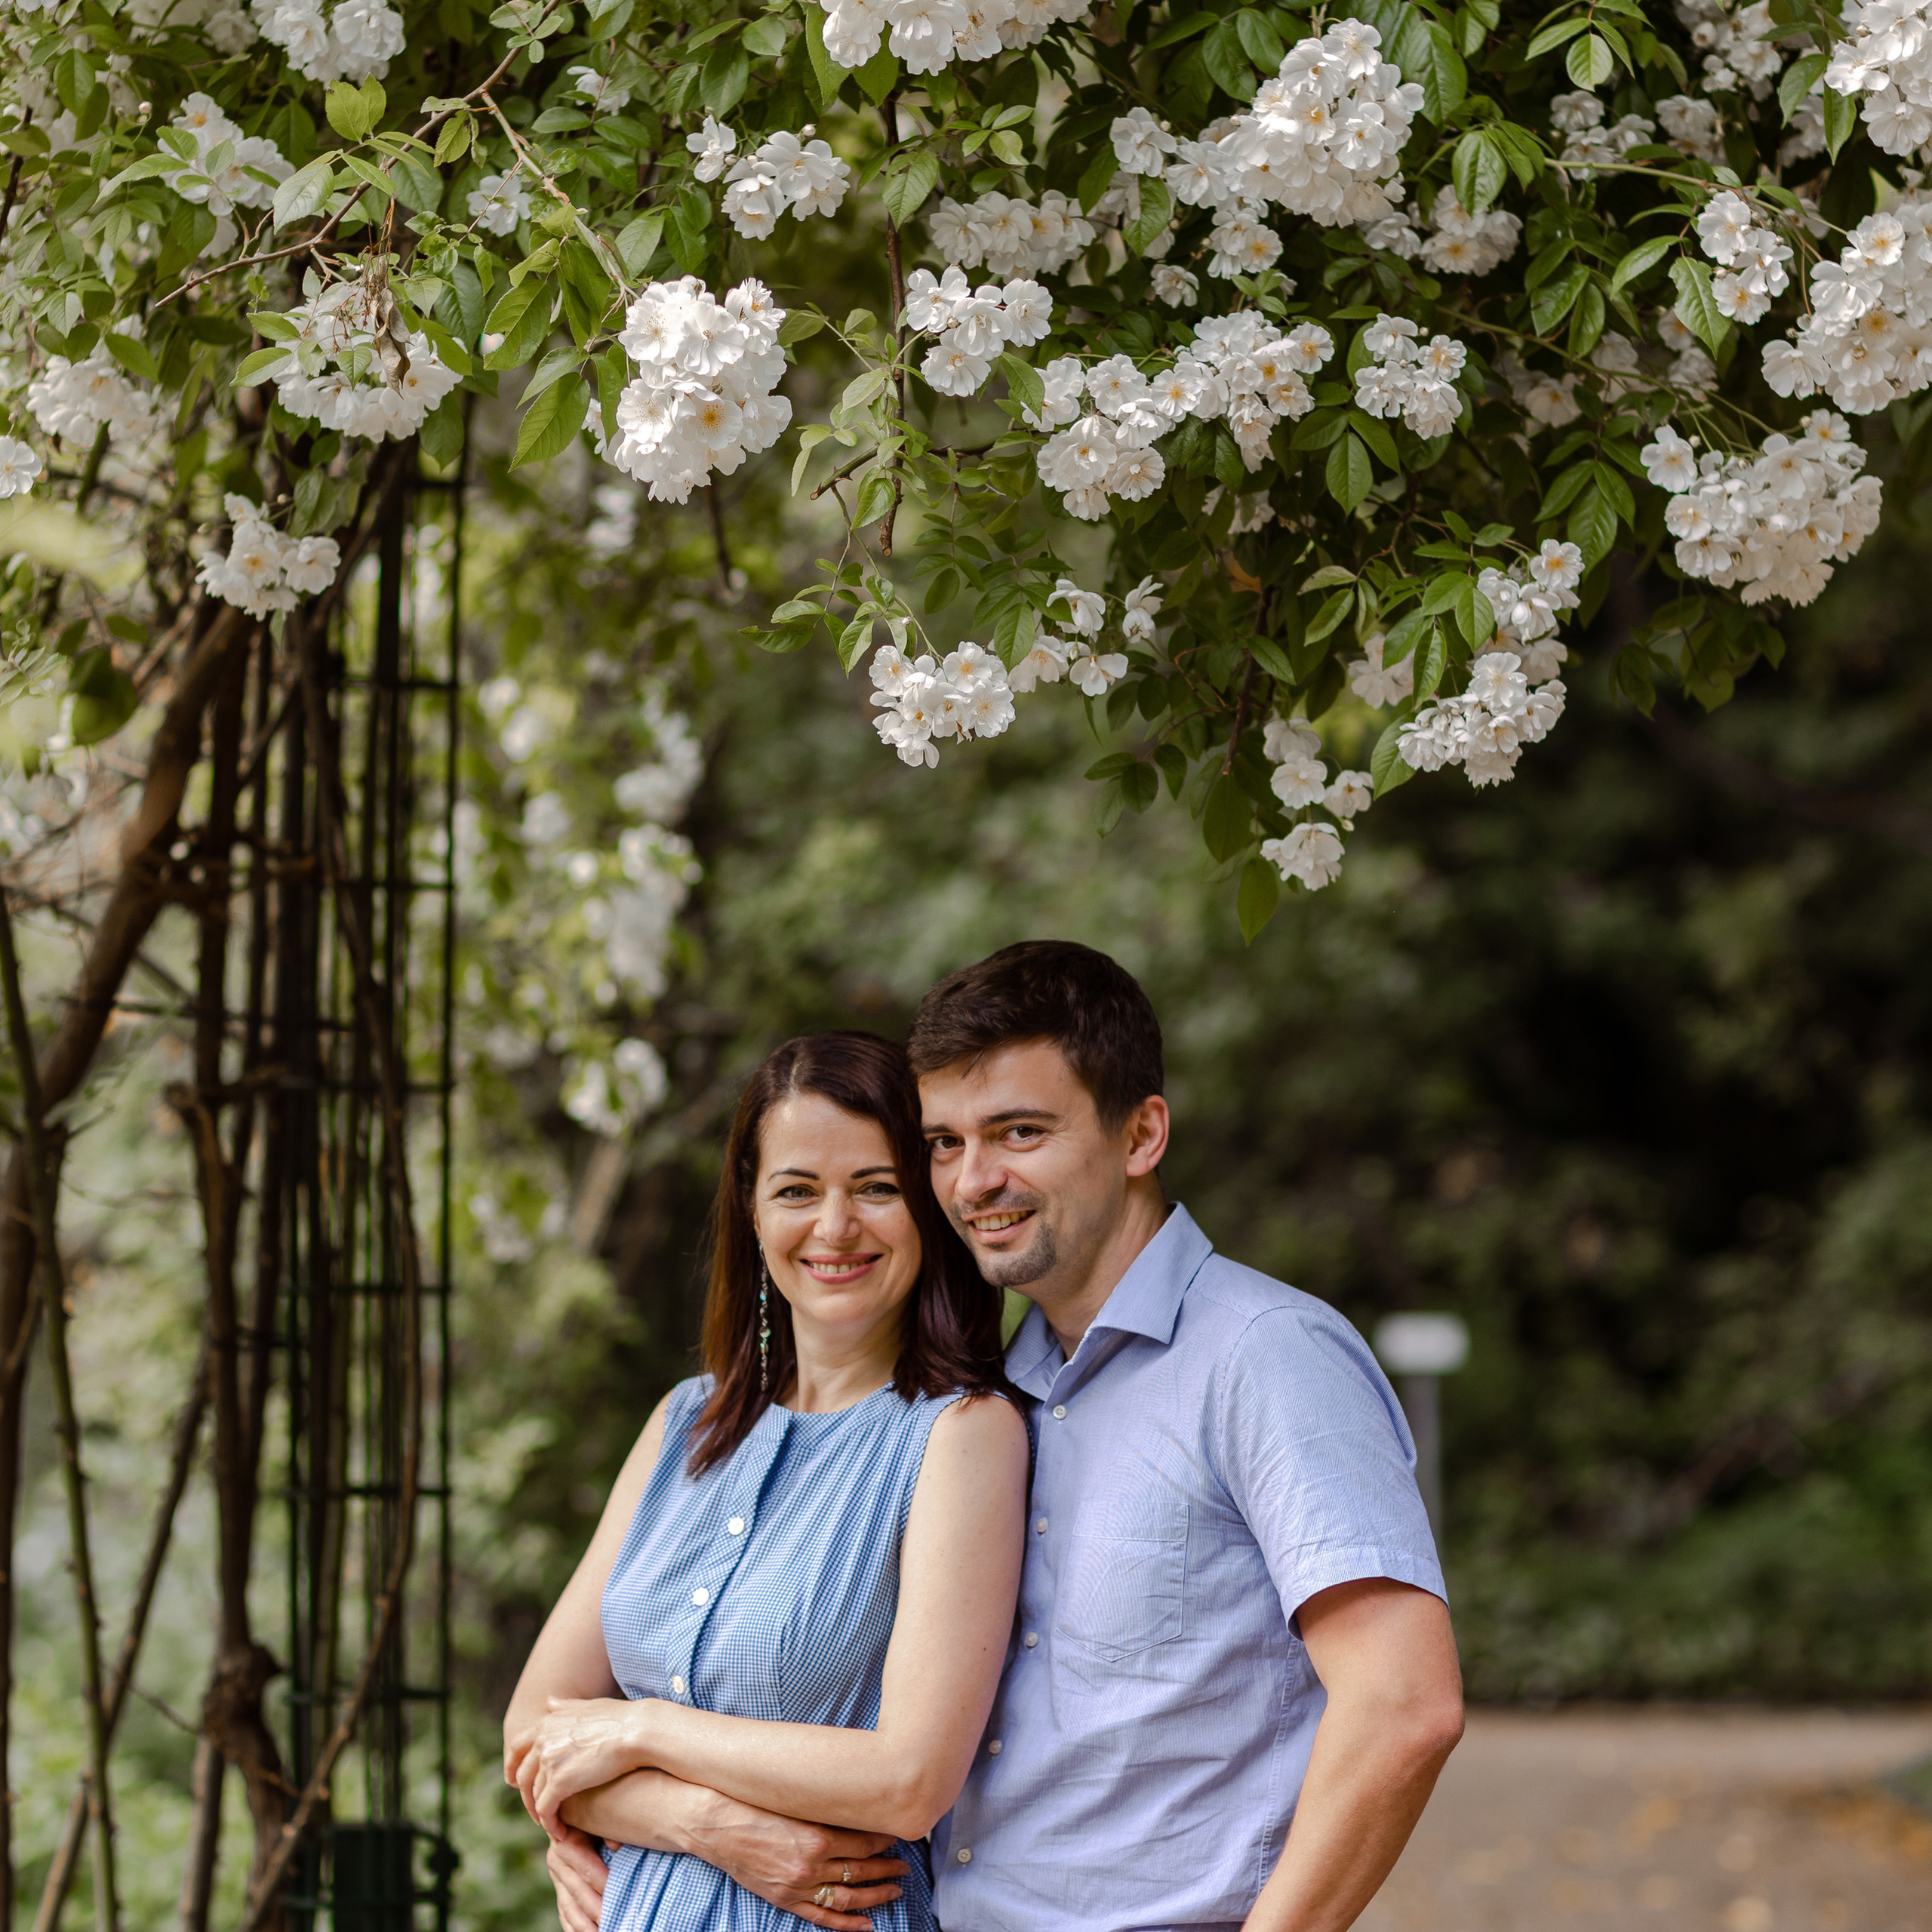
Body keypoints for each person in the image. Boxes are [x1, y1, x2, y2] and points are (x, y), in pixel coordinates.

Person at [907, 941, 1464, 1932]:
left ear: (1142, 1134)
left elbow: (1403, 1707)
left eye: (1019, 1131)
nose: (972, 1180)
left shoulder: (1266, 1357)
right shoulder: (990, 1398)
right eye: (945, 1143)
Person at [503, 1030, 1028, 1932]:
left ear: (929, 1210)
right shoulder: (684, 1423)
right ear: (751, 1211)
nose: (834, 1228)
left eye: (876, 1188)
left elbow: (906, 1782)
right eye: (796, 1190)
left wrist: (641, 1731)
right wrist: (707, 1824)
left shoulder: (962, 1435)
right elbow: (532, 1734)